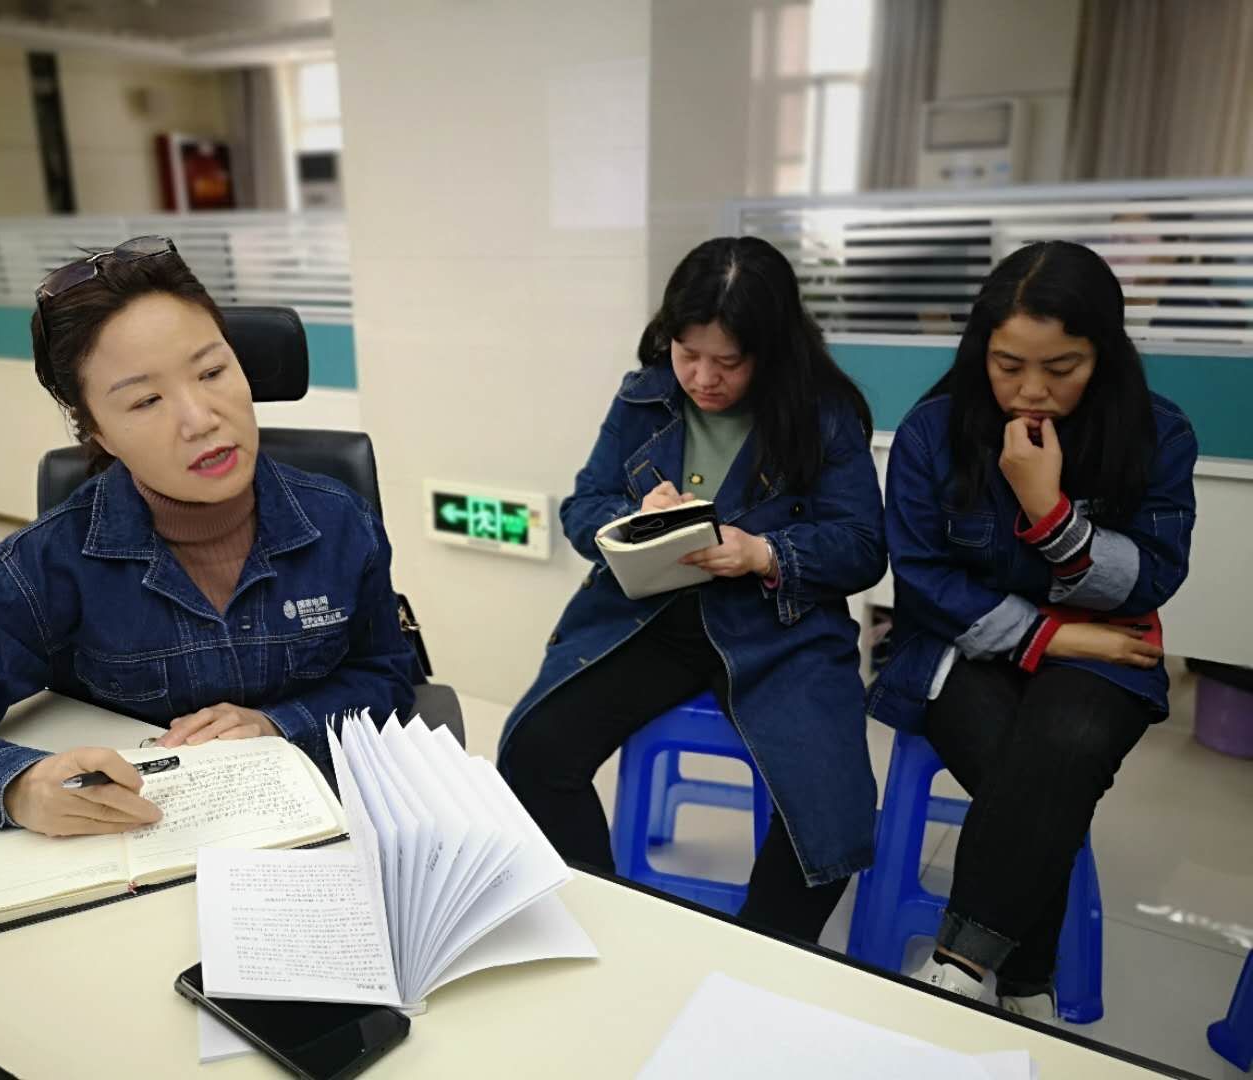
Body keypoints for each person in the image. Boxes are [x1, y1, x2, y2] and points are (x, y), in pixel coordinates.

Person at [0, 237, 418, 836]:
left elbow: (385, 676)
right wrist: (15, 785)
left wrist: (279, 725)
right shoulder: (49, 564)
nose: (200, 419)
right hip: (136, 844)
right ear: (98, 432)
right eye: (146, 400)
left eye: (213, 371)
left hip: (315, 828)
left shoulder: (342, 522)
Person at [498, 236, 886, 944]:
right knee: (535, 751)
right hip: (651, 619)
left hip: (779, 630)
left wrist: (763, 553)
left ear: (771, 351)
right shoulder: (644, 396)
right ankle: (606, 925)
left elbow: (863, 547)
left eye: (728, 362)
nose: (703, 378)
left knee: (830, 809)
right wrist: (635, 519)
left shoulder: (822, 414)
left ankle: (757, 957)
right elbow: (582, 507)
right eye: (687, 353)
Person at [868, 240, 1197, 1020]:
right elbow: (923, 582)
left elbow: (1152, 576)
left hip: (1107, 653)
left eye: (1063, 367)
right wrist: (1051, 636)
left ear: (1104, 354)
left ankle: (956, 972)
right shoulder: (933, 433)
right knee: (1031, 773)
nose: (1033, 390)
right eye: (1008, 364)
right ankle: (1024, 982)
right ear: (980, 349)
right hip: (963, 642)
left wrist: (1050, 512)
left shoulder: (1158, 433)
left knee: (1064, 745)